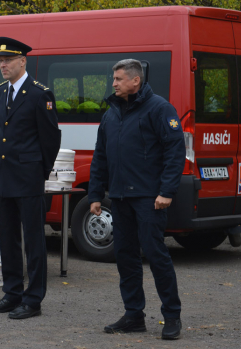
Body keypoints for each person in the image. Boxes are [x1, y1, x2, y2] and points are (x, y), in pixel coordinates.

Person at [88, 59, 185, 340]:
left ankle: (172, 317)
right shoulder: (111, 113)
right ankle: (134, 316)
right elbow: (101, 157)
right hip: (119, 198)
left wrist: (167, 191)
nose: (114, 83)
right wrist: (96, 194)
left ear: (135, 81)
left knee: (156, 255)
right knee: (125, 257)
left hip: (148, 199)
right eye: (114, 78)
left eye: (118, 79)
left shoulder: (159, 108)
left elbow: (174, 151)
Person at [0, 37, 61, 320]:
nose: (2, 64)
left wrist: (39, 173)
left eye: (7, 60)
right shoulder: (0, 92)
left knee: (34, 241)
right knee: (8, 239)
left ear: (22, 61)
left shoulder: (40, 94)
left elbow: (51, 139)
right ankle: (12, 292)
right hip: (5, 176)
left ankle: (33, 299)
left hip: (28, 178)